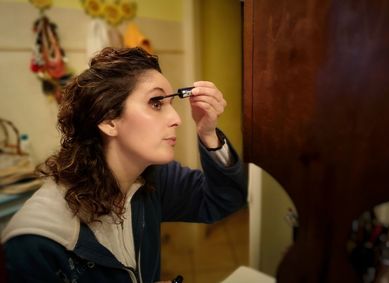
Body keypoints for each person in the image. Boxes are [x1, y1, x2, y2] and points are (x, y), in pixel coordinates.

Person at [1, 47, 247, 283]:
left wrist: (208, 133)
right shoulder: (33, 243)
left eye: (170, 104)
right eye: (156, 103)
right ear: (108, 121)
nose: (177, 119)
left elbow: (224, 199)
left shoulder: (151, 178)